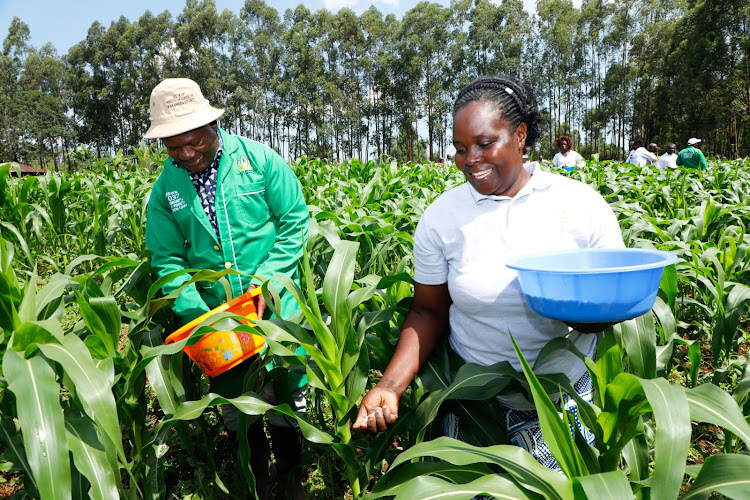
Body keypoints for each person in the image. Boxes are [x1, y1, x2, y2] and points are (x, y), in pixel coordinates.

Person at [353, 75, 624, 471]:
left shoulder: (580, 204)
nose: (470, 160)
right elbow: (427, 311)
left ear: (520, 135)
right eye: (461, 149)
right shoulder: (442, 217)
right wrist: (389, 386)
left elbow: (612, 293)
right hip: (474, 403)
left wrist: (589, 319)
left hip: (561, 397)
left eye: (484, 144)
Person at [143, 78, 309, 499]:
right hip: (218, 323)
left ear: (212, 125)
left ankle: (292, 480)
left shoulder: (259, 160)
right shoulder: (166, 190)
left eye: (193, 142)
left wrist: (265, 285)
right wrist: (200, 317)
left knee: (286, 402)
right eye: (174, 147)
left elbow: (294, 222)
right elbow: (167, 260)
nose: (186, 154)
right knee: (239, 410)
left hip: (276, 311)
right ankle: (258, 483)